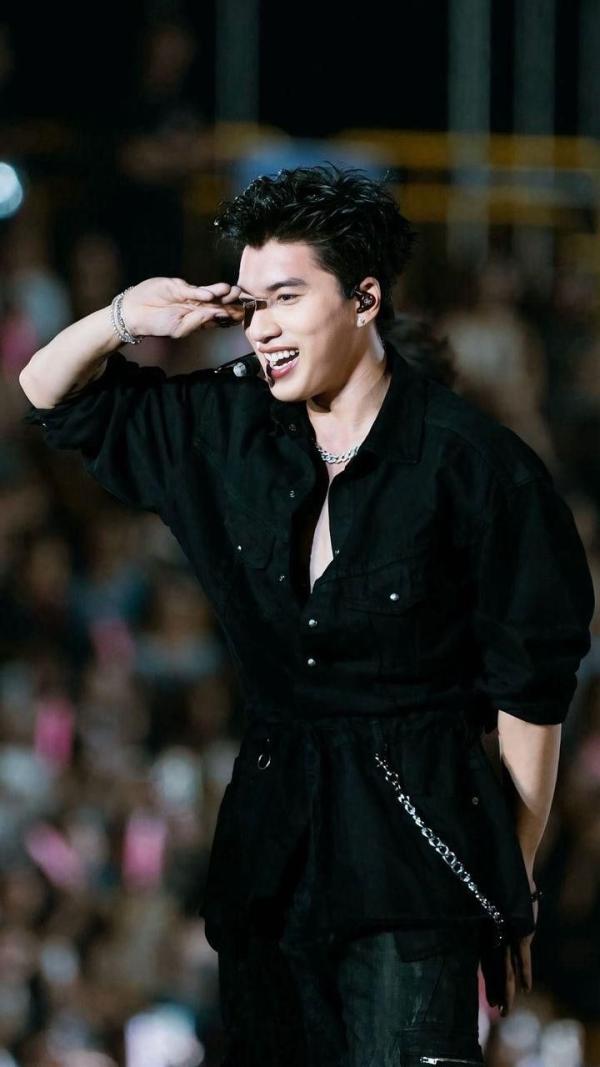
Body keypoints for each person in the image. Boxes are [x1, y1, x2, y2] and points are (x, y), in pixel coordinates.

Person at [19, 165, 595, 1067]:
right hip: (271, 861)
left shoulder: (475, 467)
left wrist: (508, 875)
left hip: (413, 866)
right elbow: (49, 393)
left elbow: (532, 687)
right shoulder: (227, 426)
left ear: (365, 299)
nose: (262, 326)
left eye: (287, 297)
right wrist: (129, 316)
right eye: (251, 304)